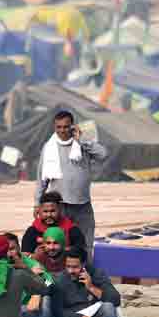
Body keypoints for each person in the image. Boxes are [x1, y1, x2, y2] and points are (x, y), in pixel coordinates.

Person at [36, 110, 106, 259]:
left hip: (82, 205)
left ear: (72, 126)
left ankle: (85, 275)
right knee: (56, 244)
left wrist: (82, 140)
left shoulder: (83, 145)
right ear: (54, 127)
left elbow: (103, 154)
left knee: (85, 244)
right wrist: (37, 203)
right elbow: (42, 178)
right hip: (58, 207)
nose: (62, 130)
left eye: (66, 126)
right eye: (58, 127)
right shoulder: (48, 147)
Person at [3, 233, 78, 317]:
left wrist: (37, 285)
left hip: (31, 312)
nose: (9, 253)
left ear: (19, 248)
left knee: (48, 307)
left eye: (12, 249)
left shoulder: (32, 263)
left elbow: (50, 283)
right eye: (5, 250)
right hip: (8, 315)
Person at [51, 248, 123, 317]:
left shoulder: (96, 274)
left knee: (108, 306)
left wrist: (91, 287)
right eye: (68, 266)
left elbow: (115, 299)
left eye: (75, 267)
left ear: (84, 264)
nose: (70, 271)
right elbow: (58, 309)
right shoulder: (61, 279)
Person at [21, 191, 87, 261]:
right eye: (45, 211)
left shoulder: (71, 228)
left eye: (52, 211)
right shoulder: (32, 231)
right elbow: (25, 255)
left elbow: (81, 250)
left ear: (60, 209)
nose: (49, 215)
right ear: (39, 211)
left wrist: (62, 250)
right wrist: (36, 256)